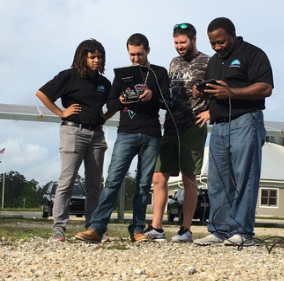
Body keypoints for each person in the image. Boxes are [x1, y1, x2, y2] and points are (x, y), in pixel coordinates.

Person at [75, 33, 170, 243]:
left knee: (143, 184)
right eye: (132, 54)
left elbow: (167, 101)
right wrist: (118, 99)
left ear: (148, 50)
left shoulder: (159, 72)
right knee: (112, 181)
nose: (135, 58)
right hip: (126, 132)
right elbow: (110, 104)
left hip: (151, 133)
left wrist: (152, 95)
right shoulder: (121, 75)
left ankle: (137, 230)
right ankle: (97, 228)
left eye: (139, 54)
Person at [193, 17, 273, 246]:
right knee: (217, 180)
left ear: (233, 34)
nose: (217, 47)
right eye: (212, 44)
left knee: (244, 178)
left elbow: (265, 88)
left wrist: (232, 93)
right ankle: (219, 230)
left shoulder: (253, 54)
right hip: (219, 125)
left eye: (221, 42)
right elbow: (216, 90)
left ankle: (243, 233)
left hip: (245, 121)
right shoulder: (215, 61)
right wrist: (203, 94)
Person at [36, 39, 111, 242]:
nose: (97, 60)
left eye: (99, 57)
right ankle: (59, 228)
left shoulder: (104, 83)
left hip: (96, 135)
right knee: (67, 181)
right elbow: (41, 93)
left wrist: (105, 116)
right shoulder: (69, 76)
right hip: (73, 133)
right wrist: (61, 112)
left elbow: (114, 103)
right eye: (92, 57)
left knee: (94, 185)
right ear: (83, 57)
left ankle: (93, 229)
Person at [144, 23, 210, 243]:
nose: (180, 46)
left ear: (193, 39)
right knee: (158, 176)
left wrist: (211, 111)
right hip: (171, 125)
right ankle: (157, 229)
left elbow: (220, 89)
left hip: (194, 124)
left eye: (183, 42)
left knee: (188, 178)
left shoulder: (208, 61)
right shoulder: (174, 63)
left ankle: (186, 229)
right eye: (176, 42)